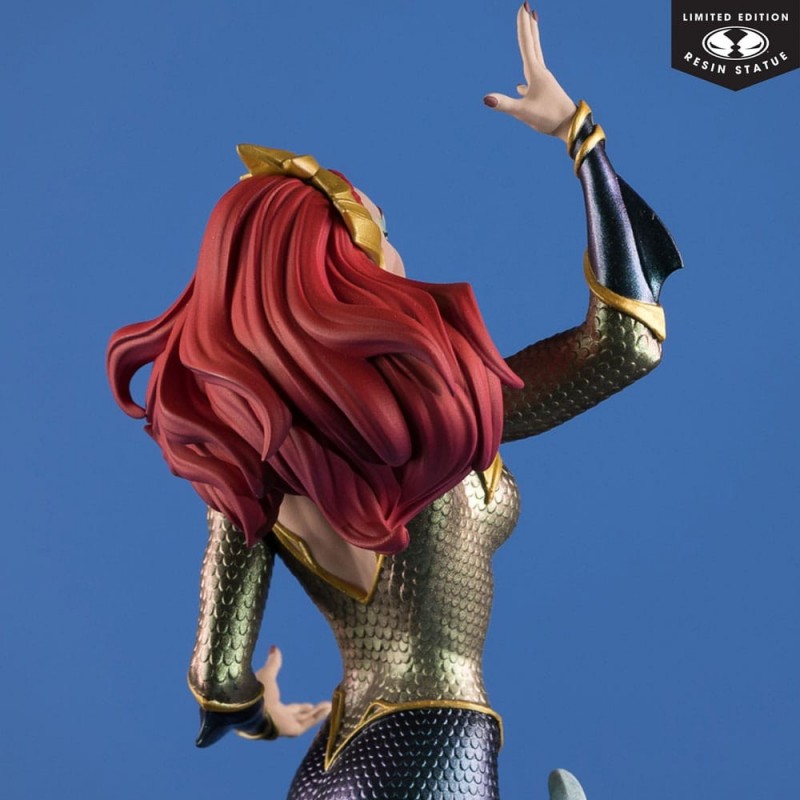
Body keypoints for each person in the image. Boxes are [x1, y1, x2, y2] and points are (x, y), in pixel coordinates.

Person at [106, 6, 680, 799]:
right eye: (380, 232)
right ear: (342, 272)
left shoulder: (244, 471)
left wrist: (260, 714)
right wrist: (582, 141)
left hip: (330, 765)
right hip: (436, 734)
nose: (397, 251)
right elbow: (626, 343)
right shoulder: (442, 417)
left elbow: (215, 677)